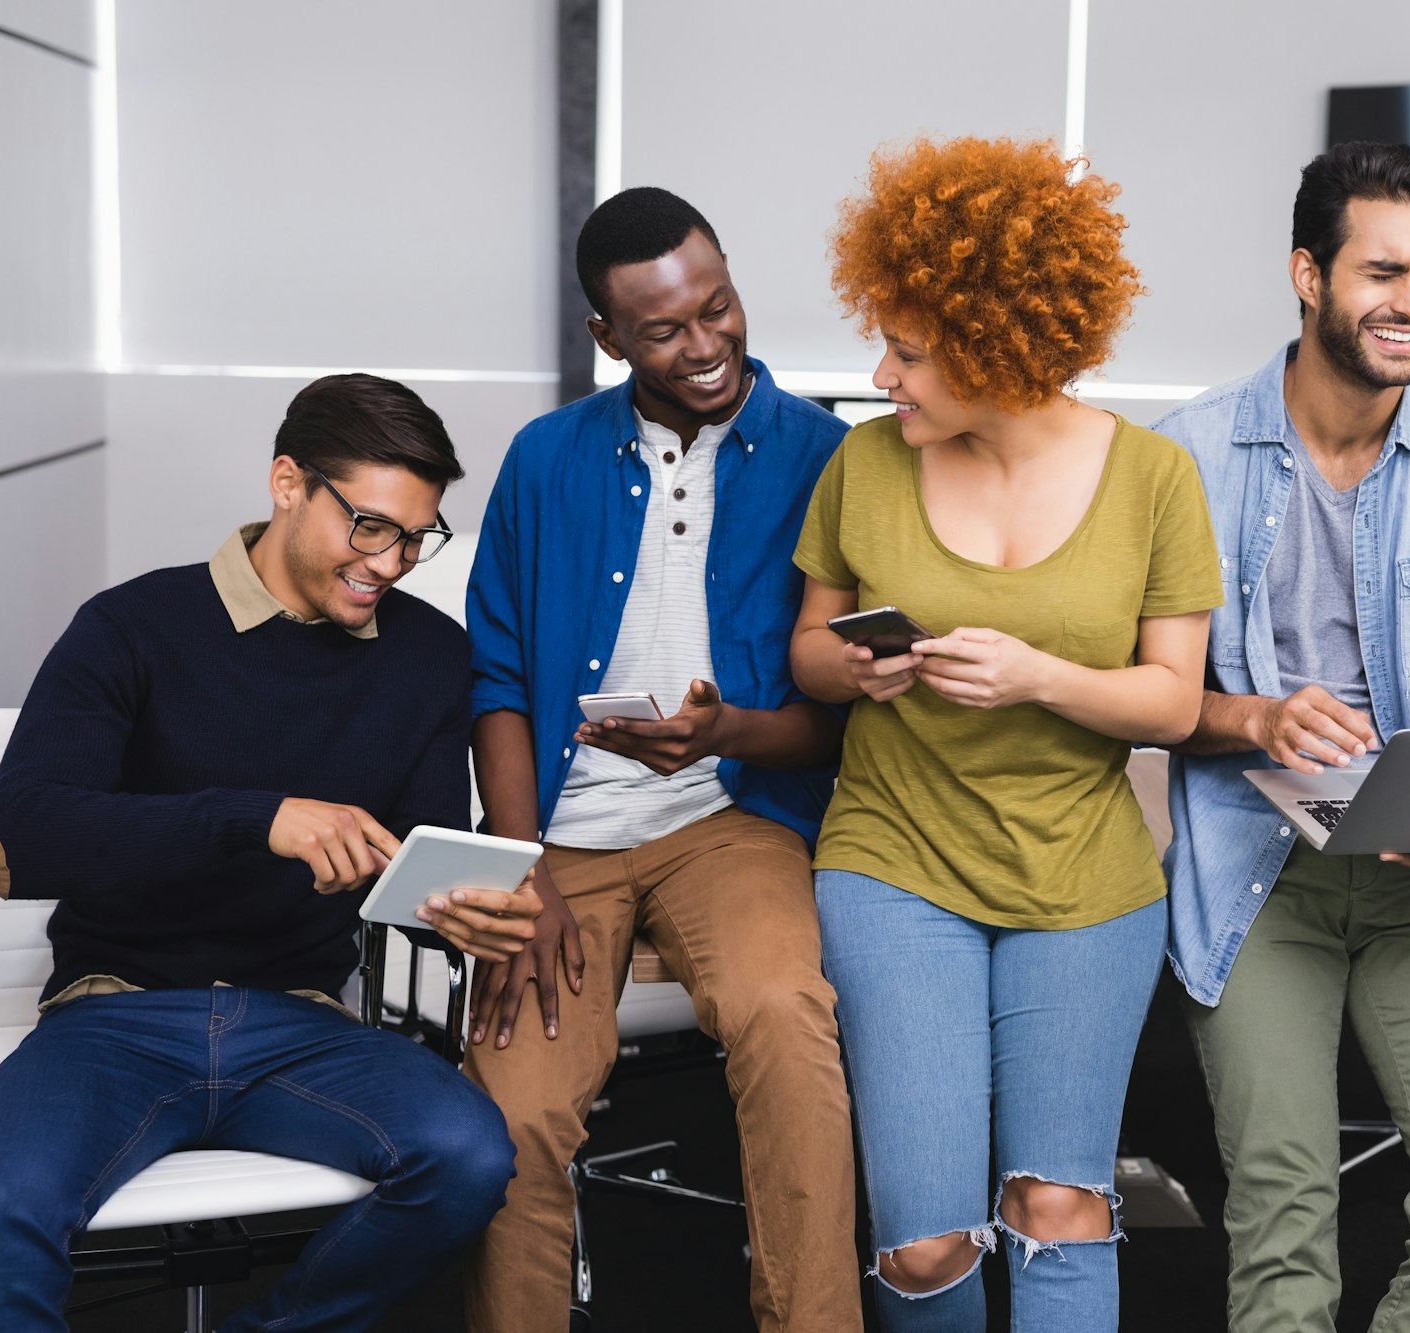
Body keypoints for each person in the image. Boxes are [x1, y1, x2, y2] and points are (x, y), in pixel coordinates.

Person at [0, 374, 540, 1331]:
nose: (391, 562)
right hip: (115, 1016)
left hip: (302, 1026)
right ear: (287, 483)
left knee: (467, 1156)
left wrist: (458, 906)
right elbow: (25, 835)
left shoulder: (433, 657)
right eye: (369, 527)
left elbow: (411, 857)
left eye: (416, 536)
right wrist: (255, 817)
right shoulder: (132, 625)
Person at [790, 135, 1222, 1331]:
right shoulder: (861, 465)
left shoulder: (1154, 479)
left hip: (1084, 880)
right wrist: (856, 672)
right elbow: (808, 653)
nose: (884, 375)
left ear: (1001, 346)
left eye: (912, 353)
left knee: (1057, 1205)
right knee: (925, 1243)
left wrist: (1037, 675)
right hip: (895, 864)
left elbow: (1174, 704)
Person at [1153, 141, 1410, 1332]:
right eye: (1384, 272)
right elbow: (1144, 691)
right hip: (1254, 868)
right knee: (1279, 1213)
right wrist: (1254, 716)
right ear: (1306, 274)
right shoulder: (1179, 455)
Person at [462, 186, 858, 1333]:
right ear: (606, 338)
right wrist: (517, 860)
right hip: (563, 833)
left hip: (728, 815)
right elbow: (495, 678)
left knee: (784, 1018)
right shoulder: (545, 460)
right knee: (514, 1114)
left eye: (717, 307)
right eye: (663, 330)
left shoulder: (828, 460)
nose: (704, 345)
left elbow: (837, 722)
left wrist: (721, 730)